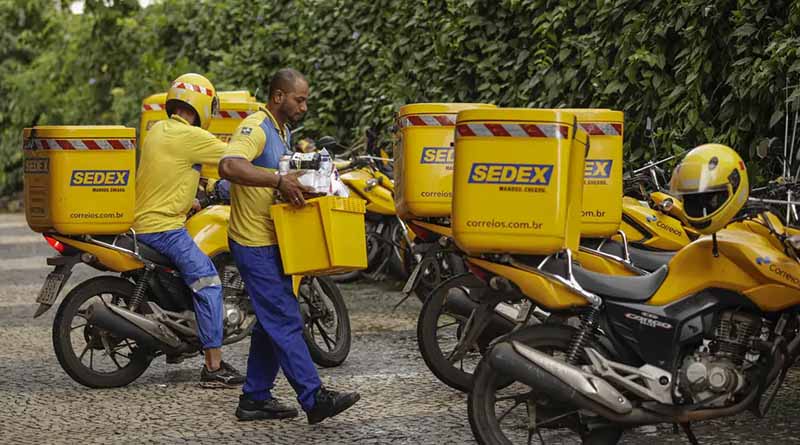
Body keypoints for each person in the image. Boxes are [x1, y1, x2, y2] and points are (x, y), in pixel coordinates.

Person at [219, 68, 360, 424]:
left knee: (271, 322)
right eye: (300, 99)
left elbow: (279, 180)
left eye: (306, 99)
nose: (305, 106)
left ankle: (254, 398)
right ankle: (314, 399)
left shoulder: (283, 133)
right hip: (253, 242)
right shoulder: (257, 127)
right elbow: (229, 165)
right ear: (278, 96)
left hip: (274, 239)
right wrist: (279, 180)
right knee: (284, 317)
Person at [133, 73, 244, 387]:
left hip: (144, 223)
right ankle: (213, 367)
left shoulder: (158, 131)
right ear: (202, 103)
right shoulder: (190, 137)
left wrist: (192, 200)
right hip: (164, 229)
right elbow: (235, 159)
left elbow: (170, 175)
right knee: (208, 283)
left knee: (188, 278)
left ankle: (178, 342)